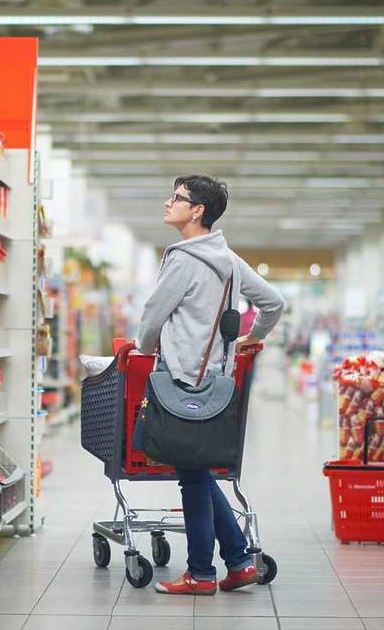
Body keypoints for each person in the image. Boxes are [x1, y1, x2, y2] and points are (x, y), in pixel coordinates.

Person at [136, 175, 285, 596]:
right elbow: (274, 303)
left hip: (181, 380)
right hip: (216, 384)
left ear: (197, 210)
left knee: (192, 478)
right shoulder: (227, 259)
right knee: (197, 472)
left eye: (177, 197)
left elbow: (153, 314)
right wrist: (250, 340)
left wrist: (143, 348)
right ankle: (237, 562)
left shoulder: (183, 257)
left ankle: (201, 574)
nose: (168, 202)